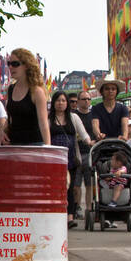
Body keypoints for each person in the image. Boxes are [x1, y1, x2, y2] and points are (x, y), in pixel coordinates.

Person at [48, 91, 90, 226]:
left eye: (63, 101)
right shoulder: (48, 119)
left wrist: (90, 141)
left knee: (70, 188)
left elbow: (84, 135)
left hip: (70, 159)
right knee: (55, 189)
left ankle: (69, 217)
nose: (61, 103)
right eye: (58, 100)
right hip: (54, 160)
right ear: (53, 103)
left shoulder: (74, 118)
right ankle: (56, 216)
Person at [4, 49, 51, 146]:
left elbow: (44, 123)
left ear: (26, 65)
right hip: (14, 144)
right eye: (9, 64)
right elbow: (10, 118)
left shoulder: (37, 91)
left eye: (15, 64)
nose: (10, 67)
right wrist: (2, 131)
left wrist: (47, 148)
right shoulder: (10, 89)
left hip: (34, 145)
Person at [71, 91, 96, 218]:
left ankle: (89, 209)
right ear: (78, 101)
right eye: (83, 99)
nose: (86, 101)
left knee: (89, 184)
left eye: (88, 99)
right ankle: (77, 207)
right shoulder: (74, 116)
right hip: (77, 154)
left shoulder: (94, 116)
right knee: (76, 186)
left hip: (91, 153)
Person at [90, 77, 131, 142]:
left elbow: (125, 124)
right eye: (107, 89)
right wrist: (99, 134)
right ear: (102, 91)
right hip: (102, 143)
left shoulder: (123, 108)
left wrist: (124, 136)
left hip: (119, 142)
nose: (110, 91)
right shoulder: (96, 108)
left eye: (113, 89)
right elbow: (95, 124)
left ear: (116, 91)